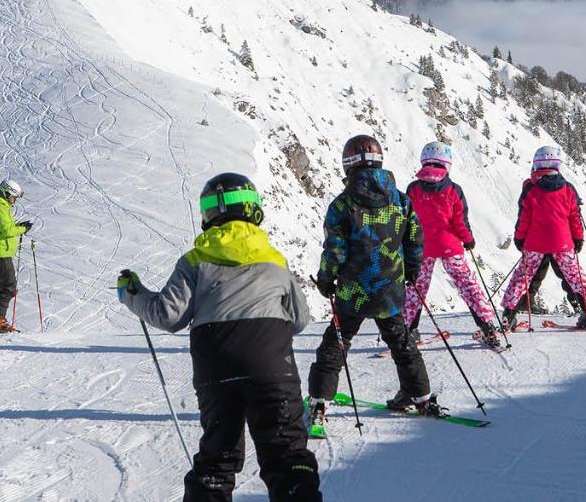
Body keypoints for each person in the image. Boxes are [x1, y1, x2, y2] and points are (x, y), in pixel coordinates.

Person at [116, 173, 321, 502]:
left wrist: (132, 294)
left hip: (216, 366)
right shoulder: (274, 259)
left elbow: (169, 316)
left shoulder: (195, 261)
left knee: (217, 459)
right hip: (270, 364)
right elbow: (300, 320)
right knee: (286, 456)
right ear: (254, 210)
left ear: (207, 215)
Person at [307, 135, 438, 427]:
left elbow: (335, 249)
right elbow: (415, 239)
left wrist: (327, 280)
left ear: (347, 165)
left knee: (336, 343)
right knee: (401, 342)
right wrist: (412, 270)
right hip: (389, 289)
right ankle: (421, 397)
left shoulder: (342, 205)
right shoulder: (402, 201)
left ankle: (319, 402)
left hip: (354, 291)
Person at [401, 142, 503, 350]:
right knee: (467, 285)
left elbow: (406, 218)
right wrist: (468, 240)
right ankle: (488, 328)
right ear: (447, 164)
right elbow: (460, 222)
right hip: (450, 245)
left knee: (416, 288)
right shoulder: (453, 189)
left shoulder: (413, 188)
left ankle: (407, 331)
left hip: (421, 246)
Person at [499, 146, 586, 330]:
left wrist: (519, 239)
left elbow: (523, 219)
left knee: (522, 278)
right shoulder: (567, 188)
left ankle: (508, 317)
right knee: (575, 277)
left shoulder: (530, 189)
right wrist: (578, 239)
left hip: (534, 243)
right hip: (563, 242)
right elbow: (574, 217)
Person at [0, 179, 31, 333]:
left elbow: (6, 228)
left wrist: (18, 226)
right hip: (0, 253)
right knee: (9, 287)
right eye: (13, 197)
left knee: (0, 287)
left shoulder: (0, 207)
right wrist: (22, 229)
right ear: (7, 193)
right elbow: (8, 231)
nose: (14, 201)